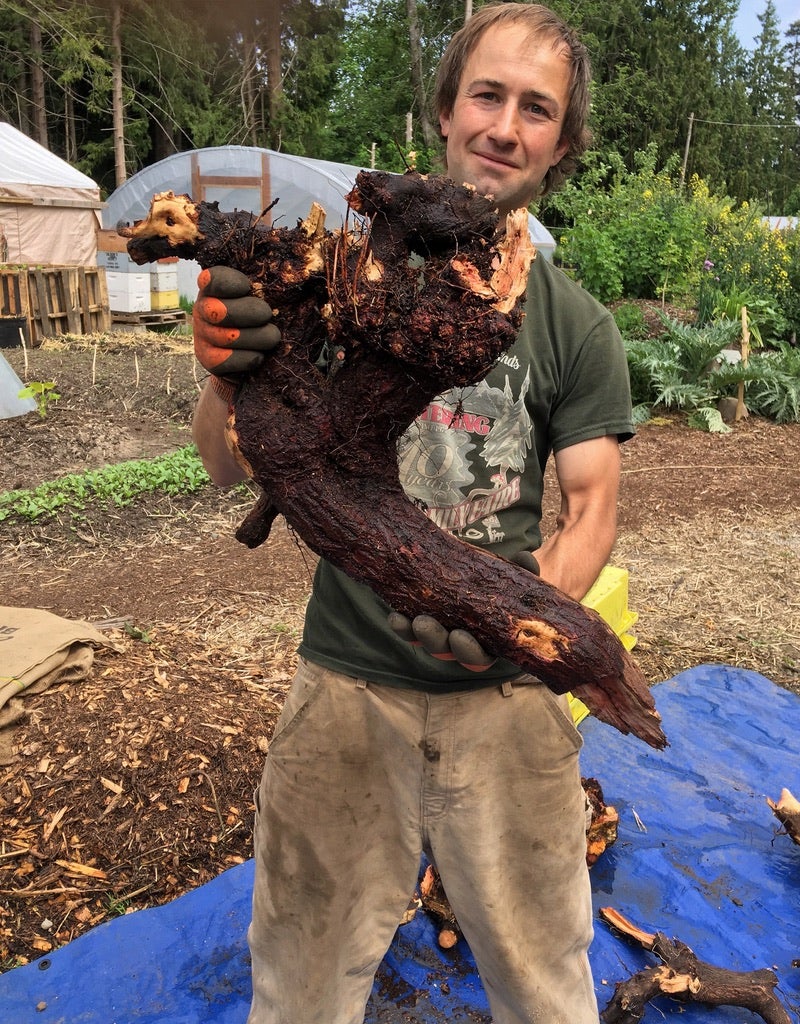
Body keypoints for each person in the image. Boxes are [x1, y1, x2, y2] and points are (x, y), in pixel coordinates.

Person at [192, 5, 635, 1022]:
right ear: (445, 111)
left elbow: (593, 507)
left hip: (510, 706)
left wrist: (510, 627)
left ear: (559, 147)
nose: (504, 125)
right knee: (300, 980)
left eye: (537, 109)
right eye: (487, 93)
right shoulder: (341, 282)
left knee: (545, 982)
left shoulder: (573, 320)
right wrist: (221, 376)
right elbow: (226, 470)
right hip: (346, 690)